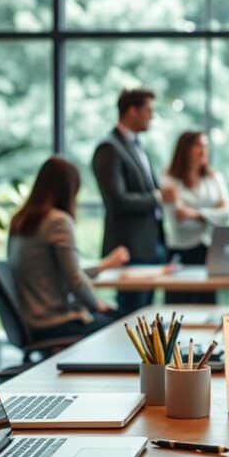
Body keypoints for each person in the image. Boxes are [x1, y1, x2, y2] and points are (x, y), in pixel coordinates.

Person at [8, 157, 130, 340]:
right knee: (130, 327)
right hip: (57, 322)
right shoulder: (58, 221)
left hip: (33, 319)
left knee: (122, 320)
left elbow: (61, 274)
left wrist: (104, 266)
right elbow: (75, 281)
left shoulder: (20, 220)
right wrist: (97, 305)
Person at [91, 88, 173, 315]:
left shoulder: (137, 146)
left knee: (147, 315)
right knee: (133, 315)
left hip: (151, 243)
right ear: (132, 111)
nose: (152, 116)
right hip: (130, 246)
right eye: (148, 110)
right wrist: (157, 197)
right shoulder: (109, 148)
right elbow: (117, 200)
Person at [160, 130, 229, 305]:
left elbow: (227, 214)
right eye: (198, 146)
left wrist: (196, 213)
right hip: (181, 251)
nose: (203, 151)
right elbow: (180, 221)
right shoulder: (169, 180)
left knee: (207, 306)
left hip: (209, 251)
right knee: (178, 308)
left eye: (205, 146)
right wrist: (212, 211)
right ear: (185, 150)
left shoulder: (214, 178)